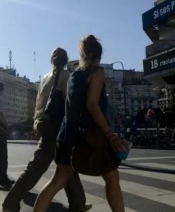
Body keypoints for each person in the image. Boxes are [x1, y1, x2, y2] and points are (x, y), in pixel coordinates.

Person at [33, 35, 127, 212]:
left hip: (66, 135)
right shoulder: (97, 72)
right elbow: (92, 104)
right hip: (88, 137)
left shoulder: (73, 75)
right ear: (98, 55)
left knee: (57, 181)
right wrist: (109, 134)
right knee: (112, 178)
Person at [3, 48, 90, 212]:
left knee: (65, 164)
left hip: (43, 123)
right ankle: (10, 203)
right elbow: (70, 105)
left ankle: (78, 204)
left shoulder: (44, 78)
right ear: (65, 61)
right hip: (57, 126)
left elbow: (38, 103)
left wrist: (37, 122)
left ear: (52, 60)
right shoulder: (66, 76)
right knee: (40, 167)